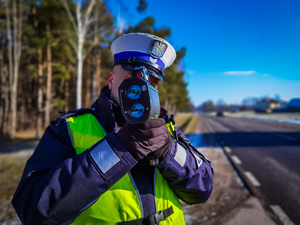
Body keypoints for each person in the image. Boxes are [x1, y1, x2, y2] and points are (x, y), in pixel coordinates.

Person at [12, 33, 213, 225]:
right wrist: (117, 149)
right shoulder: (68, 129)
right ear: (111, 80)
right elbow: (34, 211)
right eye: (134, 78)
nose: (144, 89)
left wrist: (169, 152)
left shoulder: (166, 128)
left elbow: (202, 188)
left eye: (152, 82)